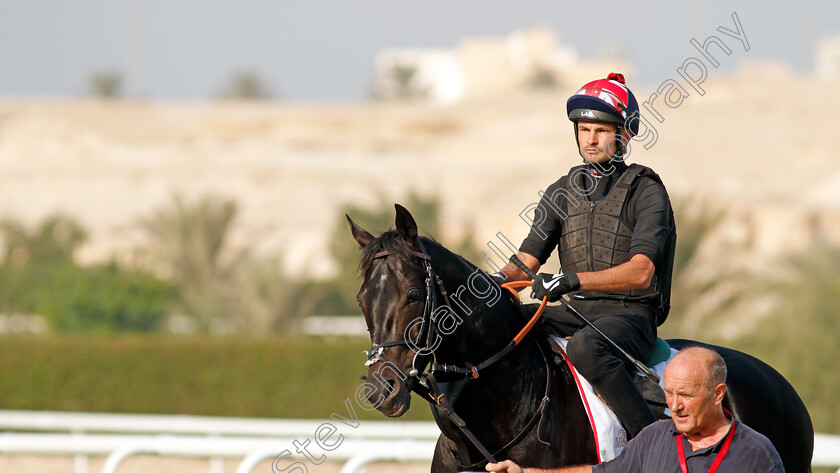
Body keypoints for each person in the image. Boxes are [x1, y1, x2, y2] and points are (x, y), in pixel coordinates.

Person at [491, 72, 677, 438]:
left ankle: (653, 443)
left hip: (630, 317)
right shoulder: (561, 192)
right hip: (574, 312)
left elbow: (641, 272)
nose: (590, 139)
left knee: (587, 347)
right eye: (583, 129)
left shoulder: (647, 191)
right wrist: (491, 286)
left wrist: (571, 280)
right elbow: (526, 262)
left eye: (602, 130)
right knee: (497, 330)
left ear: (625, 134)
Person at [485, 347, 785, 473]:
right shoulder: (653, 437)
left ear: (718, 394)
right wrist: (526, 471)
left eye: (686, 395)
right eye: (669, 393)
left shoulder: (757, 453)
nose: (675, 406)